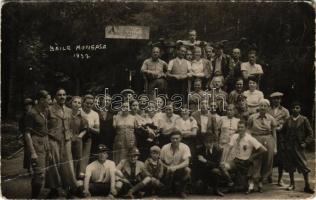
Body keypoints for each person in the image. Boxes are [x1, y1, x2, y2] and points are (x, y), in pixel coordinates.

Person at [47, 88, 78, 198]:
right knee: (54, 165)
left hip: (66, 141)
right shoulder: (49, 110)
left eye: (64, 95)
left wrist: (71, 137)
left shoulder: (69, 111)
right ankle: (53, 190)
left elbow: (72, 127)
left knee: (67, 165)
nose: (62, 97)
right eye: (59, 95)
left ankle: (69, 190)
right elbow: (45, 127)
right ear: (55, 97)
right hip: (54, 140)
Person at [222, 120, 267, 194]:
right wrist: (224, 160)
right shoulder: (234, 136)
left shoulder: (249, 138)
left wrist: (252, 157)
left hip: (246, 162)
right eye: (238, 127)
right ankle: (231, 183)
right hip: (236, 161)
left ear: (245, 128)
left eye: (242, 127)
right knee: (223, 167)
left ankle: (249, 184)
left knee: (248, 186)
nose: (240, 129)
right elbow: (228, 148)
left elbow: (264, 149)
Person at [281, 102, 314, 193]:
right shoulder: (288, 120)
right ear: (291, 109)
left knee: (304, 166)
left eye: (297, 108)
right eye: (293, 108)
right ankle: (292, 184)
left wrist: (306, 143)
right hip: (289, 147)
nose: (295, 109)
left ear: (300, 109)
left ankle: (307, 185)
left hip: (299, 147)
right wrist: (284, 143)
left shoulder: (304, 120)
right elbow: (282, 133)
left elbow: (310, 134)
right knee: (290, 166)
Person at [24, 90, 52, 198]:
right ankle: (34, 197)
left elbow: (44, 131)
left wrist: (48, 149)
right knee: (39, 174)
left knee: (41, 174)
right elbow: (27, 134)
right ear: (41, 100)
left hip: (44, 143)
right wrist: (33, 152)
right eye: (48, 99)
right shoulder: (31, 113)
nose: (50, 102)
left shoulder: (44, 111)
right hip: (36, 144)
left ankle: (35, 196)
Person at [247, 99, 277, 193]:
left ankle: (260, 182)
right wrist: (248, 142)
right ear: (258, 107)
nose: (263, 108)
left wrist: (275, 146)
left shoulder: (271, 118)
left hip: (268, 140)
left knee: (267, 161)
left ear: (268, 108)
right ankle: (251, 183)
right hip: (256, 139)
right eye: (261, 106)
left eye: (265, 106)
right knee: (255, 161)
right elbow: (248, 130)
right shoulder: (252, 117)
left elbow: (274, 133)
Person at [160, 130, 191, 198]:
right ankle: (167, 189)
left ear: (181, 138)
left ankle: (182, 191)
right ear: (170, 139)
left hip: (179, 170)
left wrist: (176, 167)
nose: (175, 140)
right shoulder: (165, 147)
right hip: (167, 169)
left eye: (177, 138)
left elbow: (186, 162)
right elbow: (160, 161)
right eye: (173, 138)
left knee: (187, 170)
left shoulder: (185, 147)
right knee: (167, 171)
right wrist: (167, 167)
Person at [268, 92, 290, 186]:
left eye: (278, 98)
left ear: (280, 100)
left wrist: (281, 127)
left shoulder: (285, 111)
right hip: (269, 135)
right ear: (272, 100)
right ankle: (269, 175)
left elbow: (288, 124)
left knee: (280, 158)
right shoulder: (268, 110)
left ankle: (280, 179)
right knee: (269, 155)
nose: (276, 100)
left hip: (280, 136)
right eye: (274, 99)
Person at [69, 96, 89, 179]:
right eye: (75, 102)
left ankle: (76, 179)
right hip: (67, 139)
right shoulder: (66, 115)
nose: (76, 104)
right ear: (71, 103)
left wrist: (79, 137)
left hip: (77, 140)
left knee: (77, 159)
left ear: (81, 105)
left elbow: (85, 129)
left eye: (79, 103)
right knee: (68, 159)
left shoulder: (82, 118)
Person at [19, 98, 34, 174]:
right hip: (26, 135)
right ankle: (29, 168)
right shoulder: (23, 116)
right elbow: (21, 126)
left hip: (34, 135)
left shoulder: (34, 114)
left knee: (35, 151)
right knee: (28, 152)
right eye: (26, 105)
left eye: (30, 105)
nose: (28, 106)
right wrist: (22, 133)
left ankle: (35, 167)